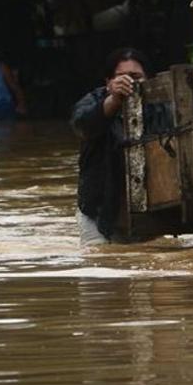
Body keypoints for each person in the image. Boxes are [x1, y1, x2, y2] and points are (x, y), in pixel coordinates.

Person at [70, 48, 149, 245]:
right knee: (102, 263)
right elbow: (82, 126)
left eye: (136, 76)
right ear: (108, 82)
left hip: (144, 211)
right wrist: (114, 100)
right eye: (122, 77)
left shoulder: (158, 103)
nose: (130, 82)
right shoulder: (92, 101)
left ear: (148, 78)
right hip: (97, 209)